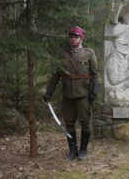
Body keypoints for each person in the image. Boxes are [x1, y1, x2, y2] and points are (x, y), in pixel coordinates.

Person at [43, 26, 101, 160]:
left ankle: (83, 151)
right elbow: (56, 75)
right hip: (68, 95)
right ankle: (72, 151)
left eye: (76, 37)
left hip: (83, 95)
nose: (73, 39)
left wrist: (95, 91)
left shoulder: (89, 53)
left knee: (85, 123)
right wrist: (49, 92)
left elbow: (96, 74)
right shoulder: (63, 55)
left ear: (81, 38)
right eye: (71, 37)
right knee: (69, 124)